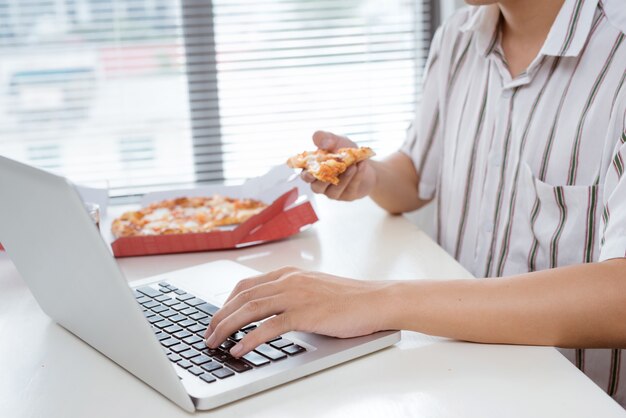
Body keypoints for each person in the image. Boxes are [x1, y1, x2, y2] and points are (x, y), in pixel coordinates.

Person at [205, 0, 626, 403]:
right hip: (455, 368)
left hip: (575, 394)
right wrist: (368, 175)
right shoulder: (457, 38)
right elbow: (415, 177)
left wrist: (374, 301)